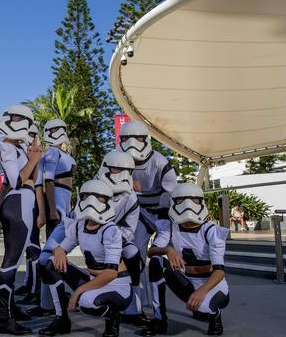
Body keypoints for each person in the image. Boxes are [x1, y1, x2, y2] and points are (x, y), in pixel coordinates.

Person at [39, 180, 131, 337]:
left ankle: (112, 317)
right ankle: (61, 318)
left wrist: (78, 292)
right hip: (92, 279)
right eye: (86, 196)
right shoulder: (79, 225)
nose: (91, 201)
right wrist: (58, 250)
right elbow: (63, 246)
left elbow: (111, 273)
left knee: (86, 302)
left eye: (98, 197)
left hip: (116, 285)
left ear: (107, 201)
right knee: (49, 264)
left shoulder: (111, 230)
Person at [141, 183, 230, 336]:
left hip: (210, 283)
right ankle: (159, 319)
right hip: (185, 281)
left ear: (200, 202)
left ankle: (215, 316)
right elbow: (151, 252)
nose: (188, 205)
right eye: (181, 200)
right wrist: (168, 250)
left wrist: (201, 292)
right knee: (156, 261)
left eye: (194, 200)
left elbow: (220, 272)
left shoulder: (211, 231)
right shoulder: (169, 227)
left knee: (203, 310)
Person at [118, 121, 177, 326]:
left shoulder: (161, 162)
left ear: (146, 140)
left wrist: (164, 224)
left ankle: (162, 312)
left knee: (159, 261)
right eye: (126, 138)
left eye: (138, 138)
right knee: (134, 258)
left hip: (162, 215)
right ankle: (136, 307)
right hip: (139, 213)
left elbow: (171, 195)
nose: (132, 143)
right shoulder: (120, 161)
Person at [0, 104, 42, 335]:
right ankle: (3, 317)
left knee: (15, 259)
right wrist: (32, 159)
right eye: (13, 117)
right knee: (11, 261)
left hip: (21, 202)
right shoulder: (6, 147)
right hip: (19, 201)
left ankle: (10, 309)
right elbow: (16, 180)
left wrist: (33, 156)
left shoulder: (19, 148)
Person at [27, 119, 76, 318]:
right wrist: (48, 211)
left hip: (63, 204)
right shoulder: (52, 153)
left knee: (57, 254)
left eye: (58, 128)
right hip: (57, 205)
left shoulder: (61, 152)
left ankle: (50, 300)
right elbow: (45, 183)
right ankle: (46, 302)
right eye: (52, 129)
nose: (55, 132)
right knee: (50, 253)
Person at [95, 150, 146, 325]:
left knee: (133, 255)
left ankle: (134, 308)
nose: (124, 176)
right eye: (117, 169)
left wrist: (109, 234)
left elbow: (129, 231)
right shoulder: (91, 189)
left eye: (128, 172)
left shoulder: (131, 198)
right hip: (87, 238)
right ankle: (60, 312)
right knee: (48, 259)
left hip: (115, 240)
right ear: (106, 168)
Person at [14, 124, 45, 306]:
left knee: (33, 247)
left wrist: (41, 212)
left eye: (33, 135)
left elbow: (38, 186)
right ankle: (28, 284)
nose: (30, 139)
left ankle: (35, 290)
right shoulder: (23, 156)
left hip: (32, 205)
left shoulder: (36, 158)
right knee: (28, 247)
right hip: (22, 204)